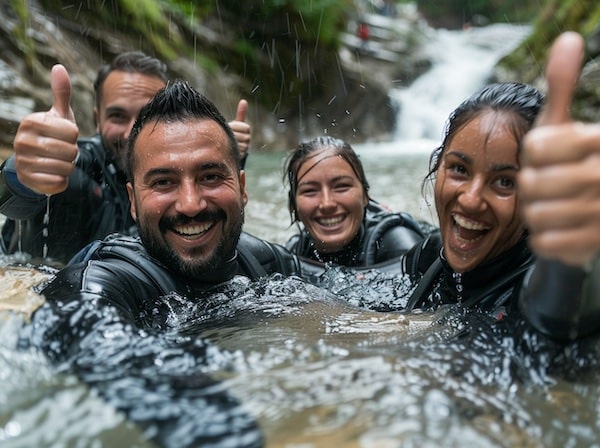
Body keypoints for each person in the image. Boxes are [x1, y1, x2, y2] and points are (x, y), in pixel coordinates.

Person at [385, 32, 600, 342]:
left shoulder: (535, 289)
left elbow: (563, 311)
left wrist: (577, 257)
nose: (471, 200)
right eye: (459, 169)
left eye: (504, 182)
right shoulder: (430, 256)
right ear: (437, 165)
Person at [0, 51, 251, 265]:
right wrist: (25, 172)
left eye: (146, 116)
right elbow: (12, 201)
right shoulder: (80, 166)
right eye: (118, 117)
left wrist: (225, 155)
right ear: (97, 121)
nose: (132, 131)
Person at [284, 135, 427, 267]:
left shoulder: (398, 245)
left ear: (365, 196)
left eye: (341, 187)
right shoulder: (294, 251)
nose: (327, 204)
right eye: (310, 191)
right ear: (293, 207)